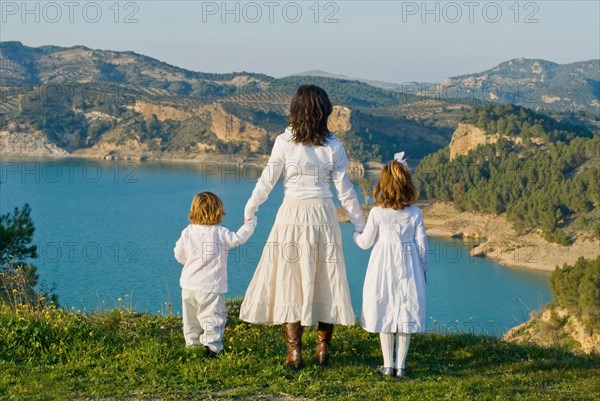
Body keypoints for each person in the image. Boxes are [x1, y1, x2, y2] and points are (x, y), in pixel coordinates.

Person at [239, 84, 366, 368]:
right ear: (324, 113)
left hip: (292, 216)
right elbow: (345, 192)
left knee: (289, 278)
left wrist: (251, 210)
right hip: (323, 215)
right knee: (325, 277)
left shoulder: (284, 142)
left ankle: (294, 351)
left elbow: (267, 181)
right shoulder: (333, 146)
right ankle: (323, 348)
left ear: (296, 110)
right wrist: (360, 225)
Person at [352, 152, 428, 379]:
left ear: (383, 185)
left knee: (385, 311)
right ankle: (400, 367)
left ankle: (387, 366)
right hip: (409, 265)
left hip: (382, 267)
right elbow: (423, 247)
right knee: (405, 312)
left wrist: (356, 234)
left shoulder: (377, 213)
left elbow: (365, 243)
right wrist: (423, 273)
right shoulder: (415, 213)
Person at [174, 192, 256, 357]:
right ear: (219, 212)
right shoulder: (221, 233)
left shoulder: (187, 231)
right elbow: (238, 238)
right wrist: (250, 223)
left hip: (189, 284)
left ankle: (192, 346)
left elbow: (178, 253)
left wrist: (190, 264)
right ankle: (212, 347)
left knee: (190, 319)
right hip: (211, 285)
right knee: (212, 317)